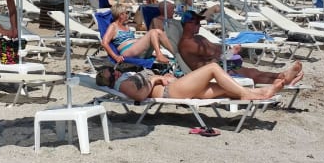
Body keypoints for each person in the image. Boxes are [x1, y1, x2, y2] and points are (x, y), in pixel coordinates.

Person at [178, 13, 302, 87]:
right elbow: (215, 53)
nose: (200, 25)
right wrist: (231, 52)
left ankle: (283, 77)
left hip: (219, 66)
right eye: (197, 23)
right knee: (252, 75)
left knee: (253, 71)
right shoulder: (187, 44)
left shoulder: (199, 38)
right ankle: (283, 80)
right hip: (208, 74)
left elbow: (218, 51)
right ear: (188, 24)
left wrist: (230, 52)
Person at [95, 61, 288, 102]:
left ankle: (261, 93)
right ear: (112, 80)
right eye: (112, 72)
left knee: (224, 88)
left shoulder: (122, 80)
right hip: (171, 91)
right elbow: (139, 94)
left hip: (174, 87)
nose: (116, 71)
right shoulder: (123, 85)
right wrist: (155, 78)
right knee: (212, 67)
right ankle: (248, 94)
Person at [101, 6, 173, 65]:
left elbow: (138, 24)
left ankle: (177, 55)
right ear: (121, 15)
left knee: (158, 31)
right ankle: (159, 55)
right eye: (126, 13)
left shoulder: (126, 25)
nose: (128, 15)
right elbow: (104, 43)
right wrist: (115, 57)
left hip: (137, 49)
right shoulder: (113, 26)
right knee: (152, 32)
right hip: (127, 51)